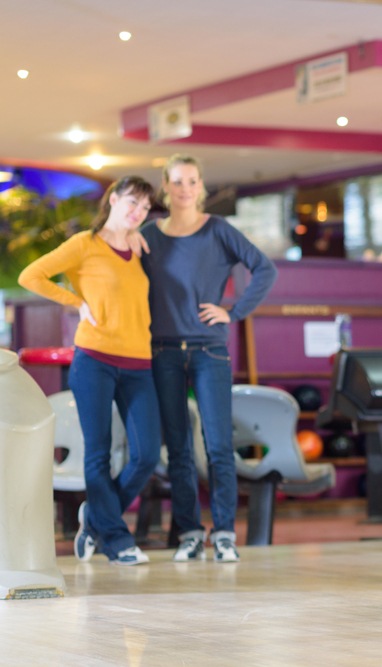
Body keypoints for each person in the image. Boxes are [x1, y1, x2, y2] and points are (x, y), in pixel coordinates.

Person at [139, 154, 277, 563]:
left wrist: (233, 311)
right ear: (165, 186)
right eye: (177, 182)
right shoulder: (147, 234)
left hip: (209, 351)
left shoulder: (218, 230)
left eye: (192, 181)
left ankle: (224, 533)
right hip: (161, 351)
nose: (185, 189)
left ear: (201, 187)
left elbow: (264, 269)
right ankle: (189, 533)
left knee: (218, 446)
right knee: (178, 448)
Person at [19, 176, 160, 566]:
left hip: (138, 364)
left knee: (146, 453)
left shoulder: (138, 245)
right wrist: (76, 302)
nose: (139, 213)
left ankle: (96, 519)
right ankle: (116, 540)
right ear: (113, 199)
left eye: (146, 208)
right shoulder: (85, 244)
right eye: (133, 203)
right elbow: (30, 275)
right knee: (97, 454)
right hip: (94, 360)